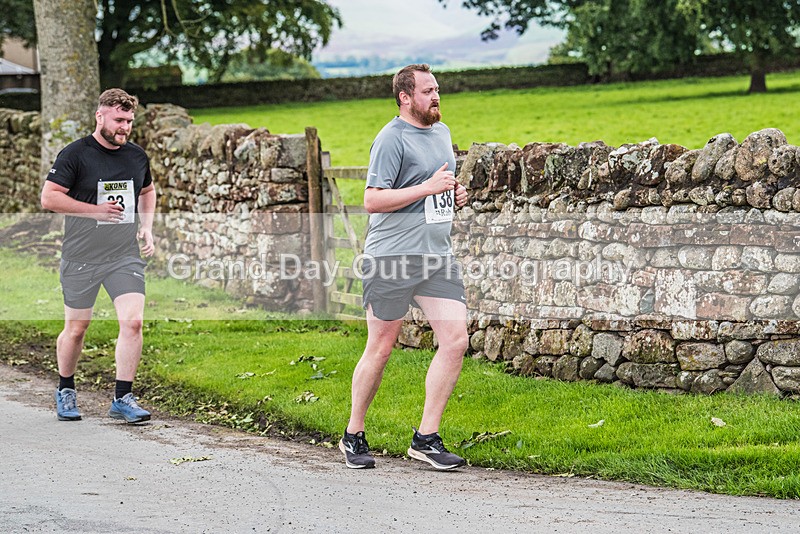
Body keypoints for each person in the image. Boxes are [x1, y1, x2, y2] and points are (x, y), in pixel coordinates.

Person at [340, 64, 470, 470]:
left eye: (437, 90)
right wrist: (427, 188)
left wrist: (455, 193)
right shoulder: (390, 138)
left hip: (436, 257)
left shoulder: (442, 133)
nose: (436, 96)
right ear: (405, 97)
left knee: (456, 340)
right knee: (381, 348)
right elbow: (372, 200)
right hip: (391, 258)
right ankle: (353, 434)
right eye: (428, 91)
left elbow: (437, 188)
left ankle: (426, 439)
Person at [40, 88, 156, 424]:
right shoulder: (75, 154)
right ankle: (66, 388)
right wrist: (96, 211)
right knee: (77, 329)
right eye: (119, 120)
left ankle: (123, 397)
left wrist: (147, 227)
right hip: (81, 256)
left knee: (133, 322)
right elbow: (49, 198)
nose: (125, 127)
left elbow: (148, 190)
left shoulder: (136, 156)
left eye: (129, 121)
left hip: (123, 255)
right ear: (100, 116)